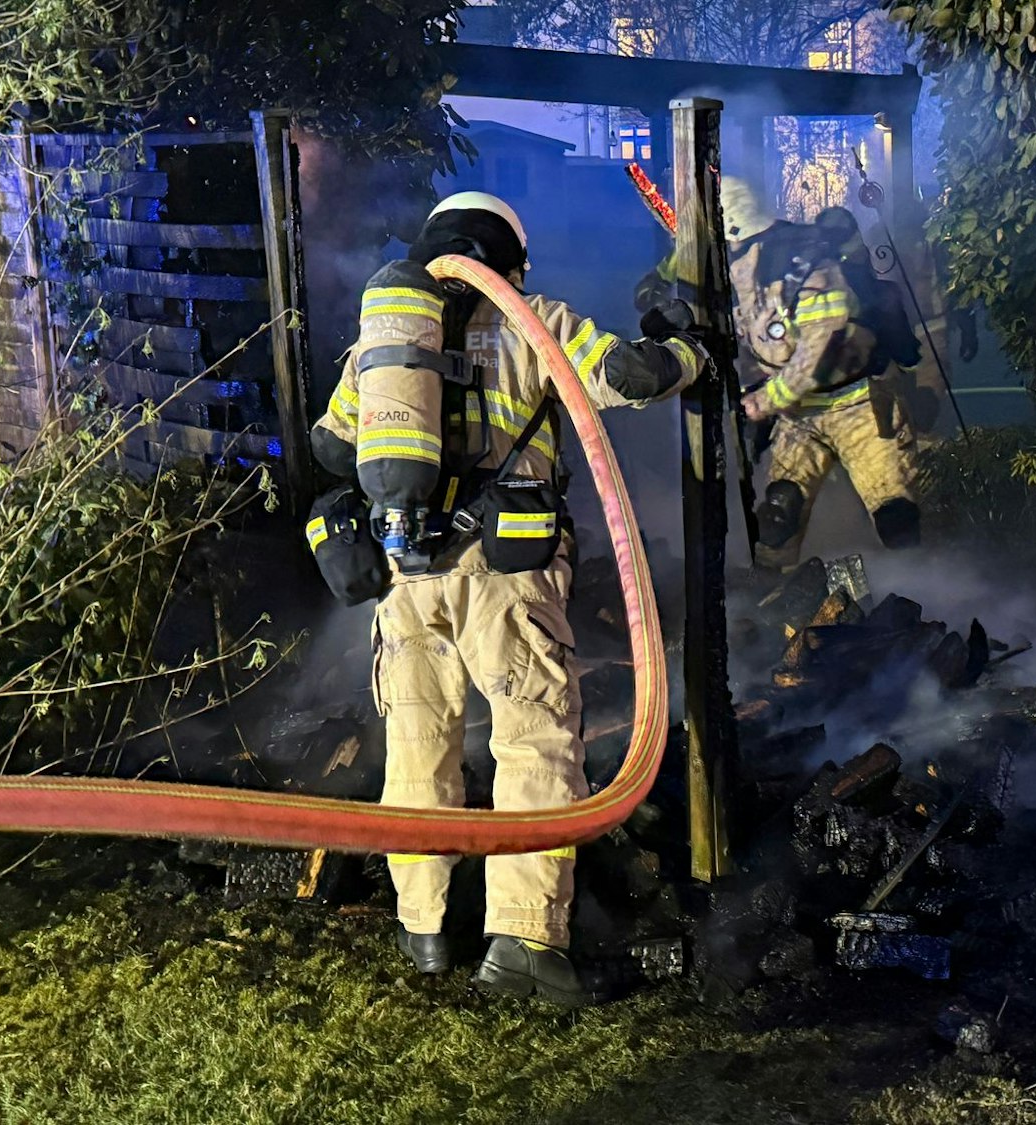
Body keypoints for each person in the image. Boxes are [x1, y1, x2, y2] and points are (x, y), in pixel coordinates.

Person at [308, 191, 703, 1006]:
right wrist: (692, 351)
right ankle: (524, 941)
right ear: (510, 259)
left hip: (406, 573)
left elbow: (330, 442)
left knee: (418, 747)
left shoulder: (385, 340)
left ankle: (426, 929)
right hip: (505, 572)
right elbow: (626, 375)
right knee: (532, 741)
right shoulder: (532, 315)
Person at [693, 179, 924, 571]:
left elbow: (817, 352)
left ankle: (924, 602)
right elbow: (752, 344)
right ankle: (770, 612)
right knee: (777, 516)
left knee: (896, 517)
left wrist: (762, 403)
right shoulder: (742, 277)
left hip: (860, 405)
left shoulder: (810, 267)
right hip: (798, 415)